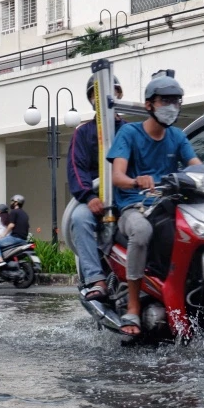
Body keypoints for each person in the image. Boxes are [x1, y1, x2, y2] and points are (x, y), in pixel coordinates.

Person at [107, 72, 202, 336]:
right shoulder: (129, 133)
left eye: (176, 101)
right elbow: (117, 176)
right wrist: (136, 181)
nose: (172, 106)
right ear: (149, 105)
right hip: (133, 207)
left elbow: (198, 167)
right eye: (165, 100)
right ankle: (134, 306)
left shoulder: (177, 137)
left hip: (167, 205)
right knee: (142, 232)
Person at [68, 74, 125, 302]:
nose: (102, 97)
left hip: (127, 198)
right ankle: (95, 279)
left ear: (119, 94)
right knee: (79, 219)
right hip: (94, 200)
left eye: (111, 91)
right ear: (91, 98)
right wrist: (89, 196)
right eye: (96, 94)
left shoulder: (131, 130)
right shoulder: (83, 133)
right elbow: (76, 168)